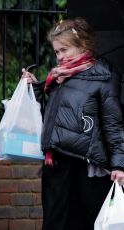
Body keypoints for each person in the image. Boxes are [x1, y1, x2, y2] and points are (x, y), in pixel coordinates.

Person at [22, 17, 124, 230]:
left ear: (83, 46)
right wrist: (35, 90)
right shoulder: (58, 78)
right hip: (57, 164)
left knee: (87, 222)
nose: (59, 57)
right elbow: (52, 118)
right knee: (55, 223)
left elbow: (113, 124)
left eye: (64, 50)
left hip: (87, 166)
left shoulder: (104, 77)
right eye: (56, 52)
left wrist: (118, 164)